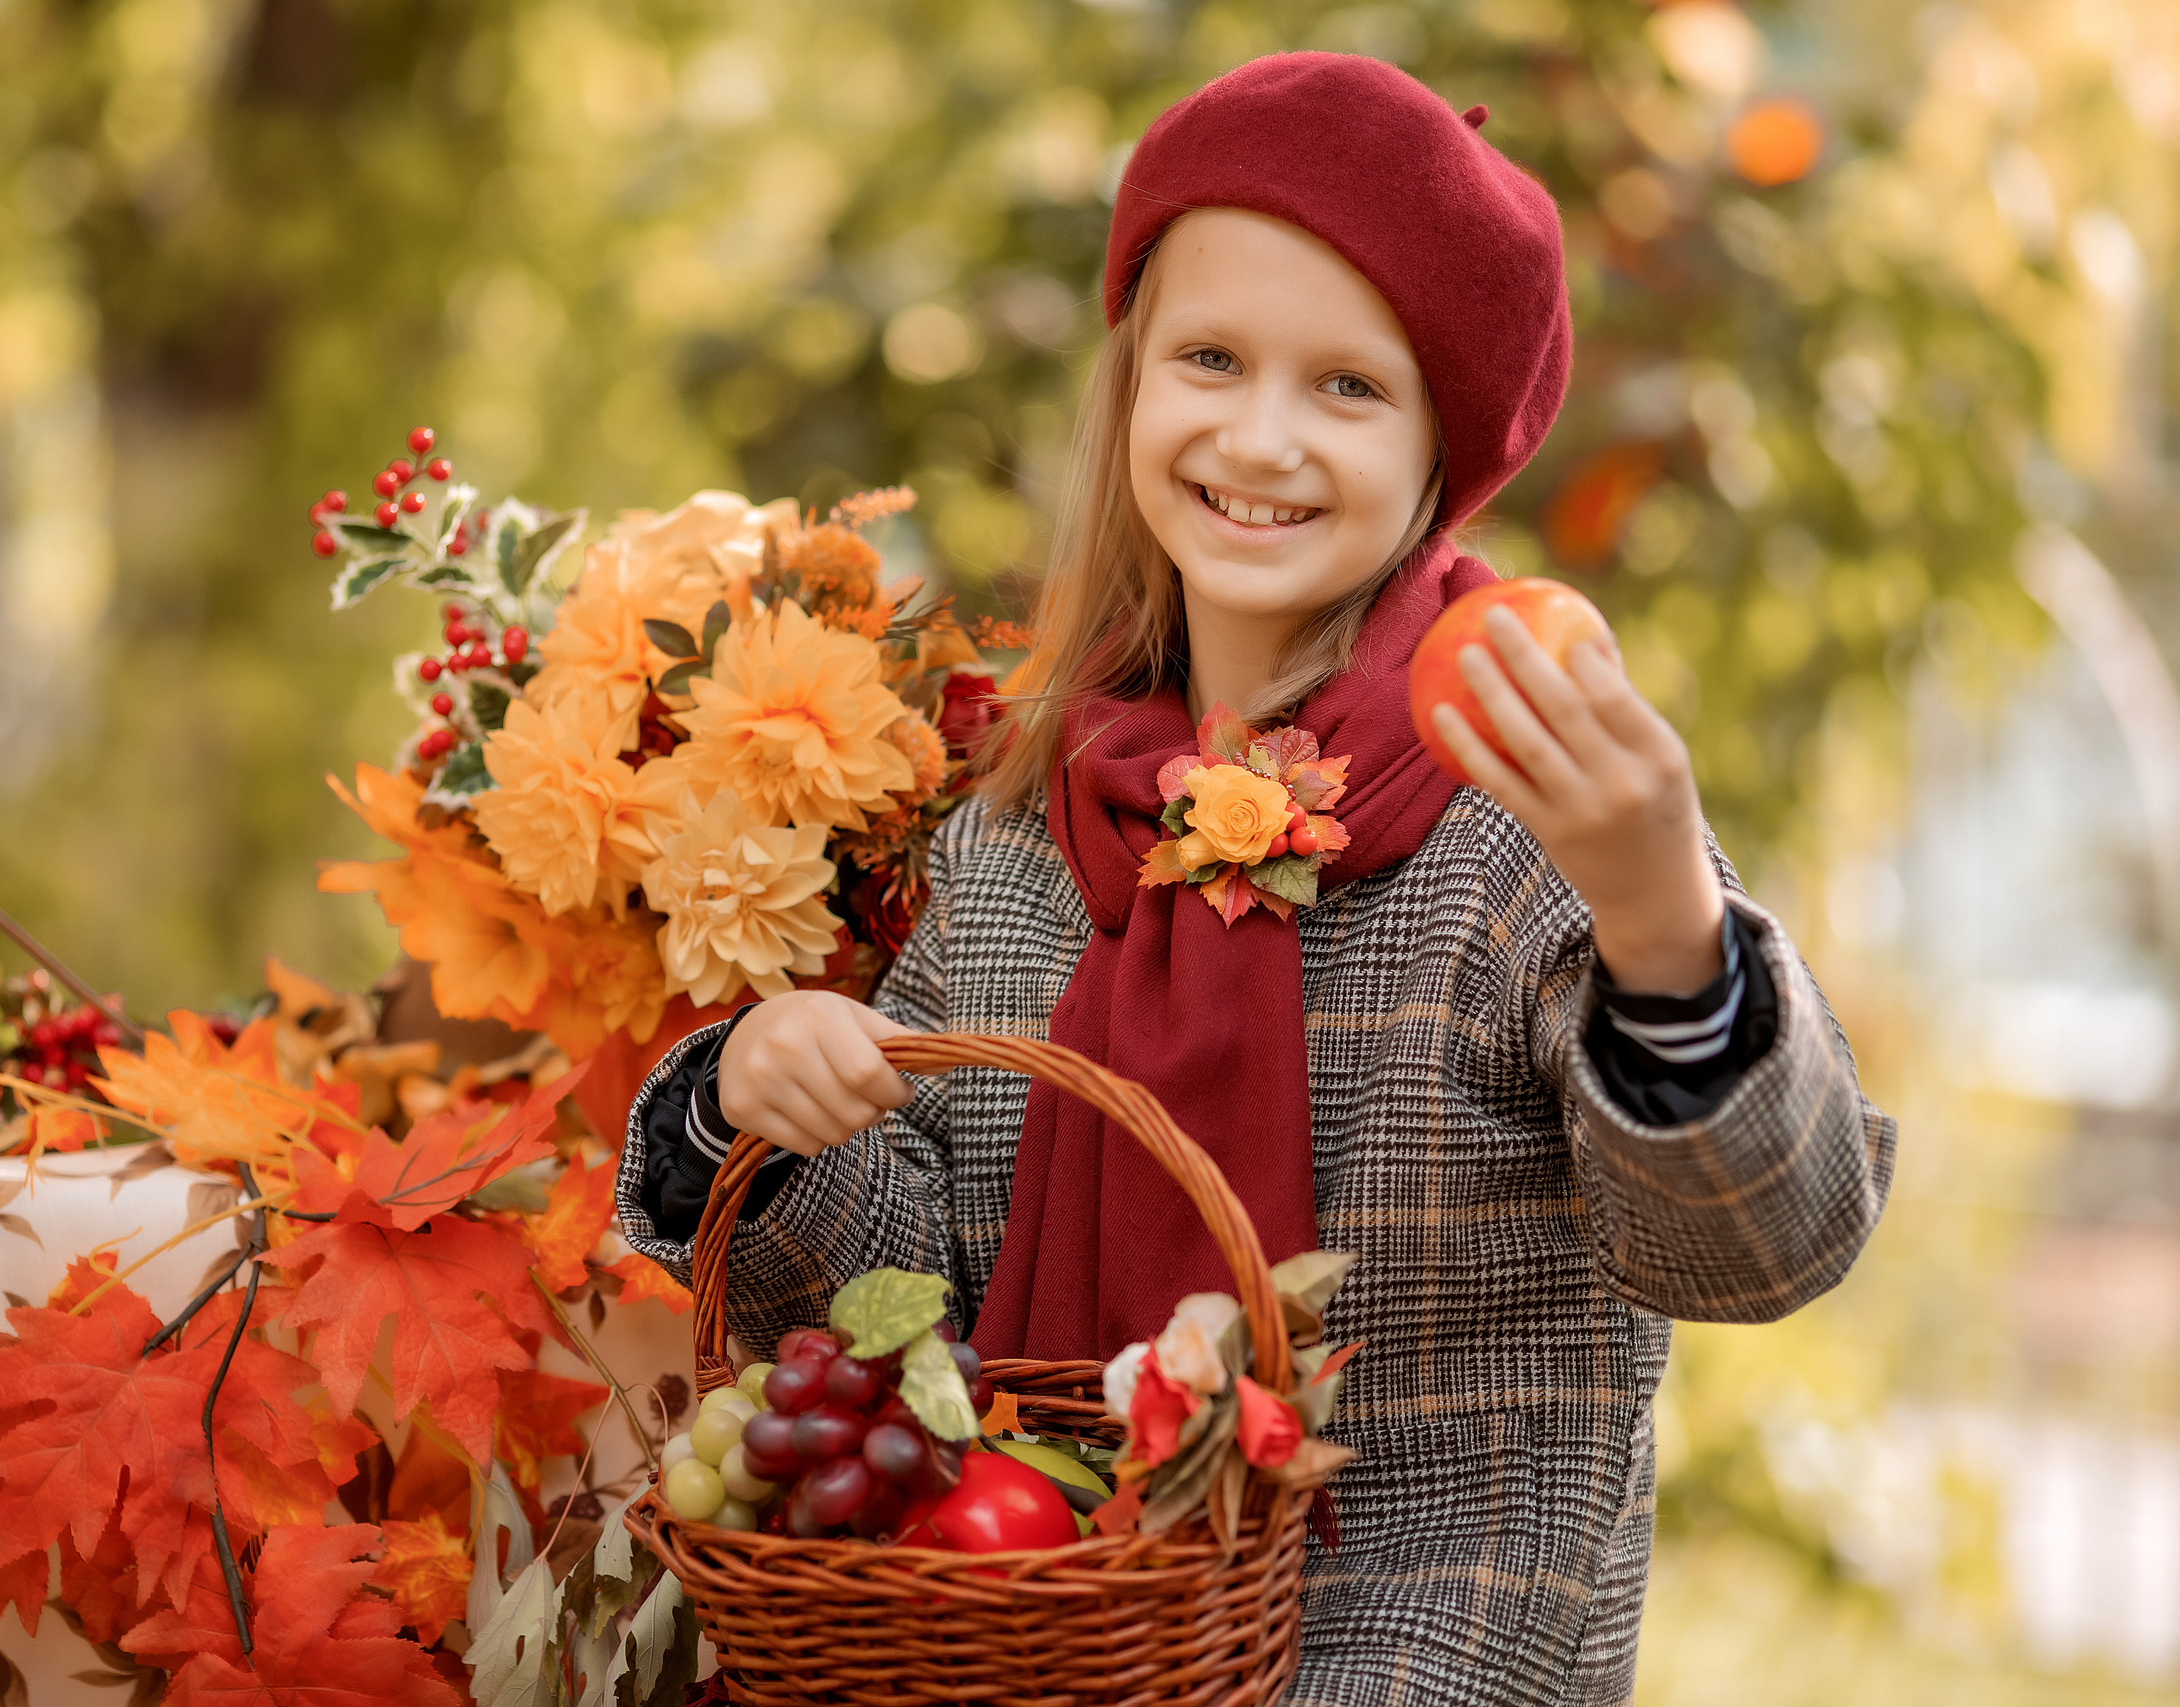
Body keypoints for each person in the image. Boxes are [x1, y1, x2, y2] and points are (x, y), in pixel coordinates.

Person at [616, 52, 1893, 1705]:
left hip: (1411, 1657)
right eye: (1210, 358)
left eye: (1350, 388)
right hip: (1037, 1648)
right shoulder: (1026, 822)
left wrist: (1666, 924)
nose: (1262, 435)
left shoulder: (1517, 818)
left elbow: (1760, 1249)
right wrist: (768, 1112)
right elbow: (902, 1308)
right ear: (1135, 383)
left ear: (1444, 443)